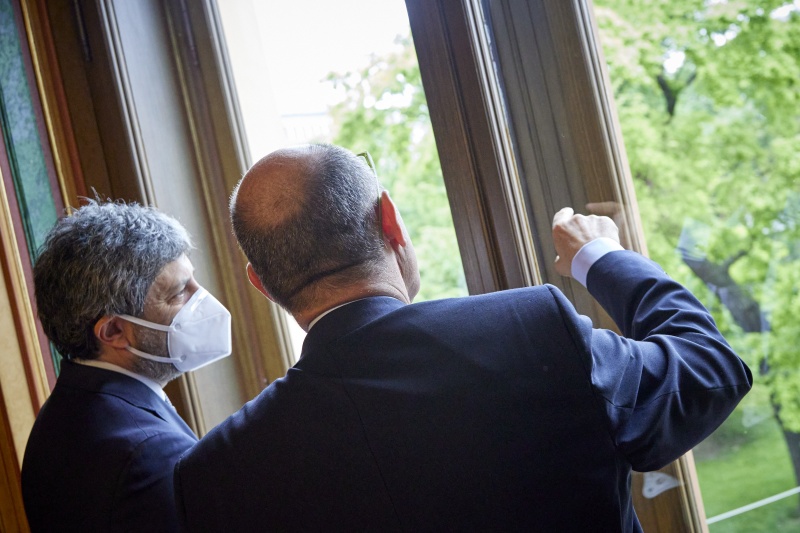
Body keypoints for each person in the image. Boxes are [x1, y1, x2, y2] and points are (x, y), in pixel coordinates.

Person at [174, 144, 751, 532]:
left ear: (262, 284)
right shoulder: (529, 332)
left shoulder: (220, 473)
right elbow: (710, 369)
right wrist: (601, 258)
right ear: (391, 222)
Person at [22, 200, 232, 532]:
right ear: (114, 331)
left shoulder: (68, 406)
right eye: (179, 293)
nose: (202, 299)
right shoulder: (149, 453)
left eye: (194, 281)